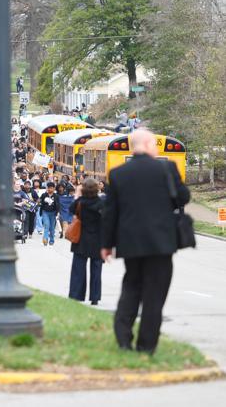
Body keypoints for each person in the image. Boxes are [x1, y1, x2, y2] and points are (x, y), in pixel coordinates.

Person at [101, 129, 190, 354]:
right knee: (154, 296)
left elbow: (110, 212)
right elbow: (183, 197)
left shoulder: (118, 174)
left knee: (131, 288)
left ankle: (123, 339)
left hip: (130, 242)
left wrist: (106, 244)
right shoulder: (167, 168)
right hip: (161, 242)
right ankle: (146, 346)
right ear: (149, 143)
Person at [68, 178, 104, 305]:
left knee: (78, 270)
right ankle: (95, 297)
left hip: (81, 239)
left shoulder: (80, 202)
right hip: (98, 240)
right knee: (96, 270)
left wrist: (78, 195)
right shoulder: (101, 203)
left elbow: (71, 209)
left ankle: (76, 295)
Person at [38, 182, 60, 246]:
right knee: (46, 225)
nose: (49, 189)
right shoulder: (44, 195)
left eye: (51, 188)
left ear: (54, 188)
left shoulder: (56, 196)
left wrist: (58, 212)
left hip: (53, 213)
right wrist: (39, 201)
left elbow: (58, 205)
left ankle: (52, 240)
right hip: (45, 212)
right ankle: (45, 239)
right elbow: (39, 201)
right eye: (48, 188)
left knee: (52, 228)